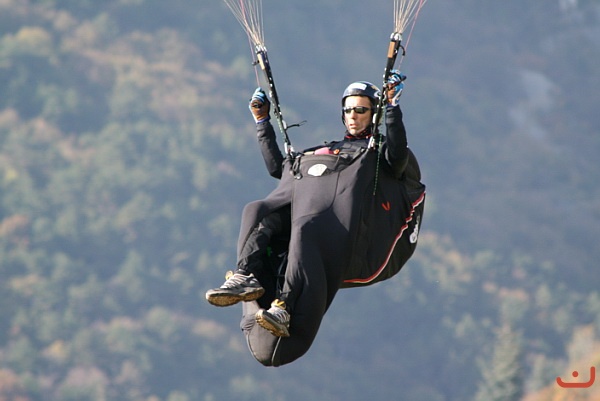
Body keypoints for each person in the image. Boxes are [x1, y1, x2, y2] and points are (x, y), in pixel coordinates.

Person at [205, 70, 425, 366]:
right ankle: (247, 276)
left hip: (344, 231)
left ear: (374, 114)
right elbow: (280, 170)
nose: (353, 116)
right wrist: (262, 122)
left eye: (361, 110)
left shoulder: (379, 155)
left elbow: (398, 158)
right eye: (348, 110)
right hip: (306, 217)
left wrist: (393, 108)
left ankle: (285, 307)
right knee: (256, 211)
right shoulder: (326, 149)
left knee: (304, 228)